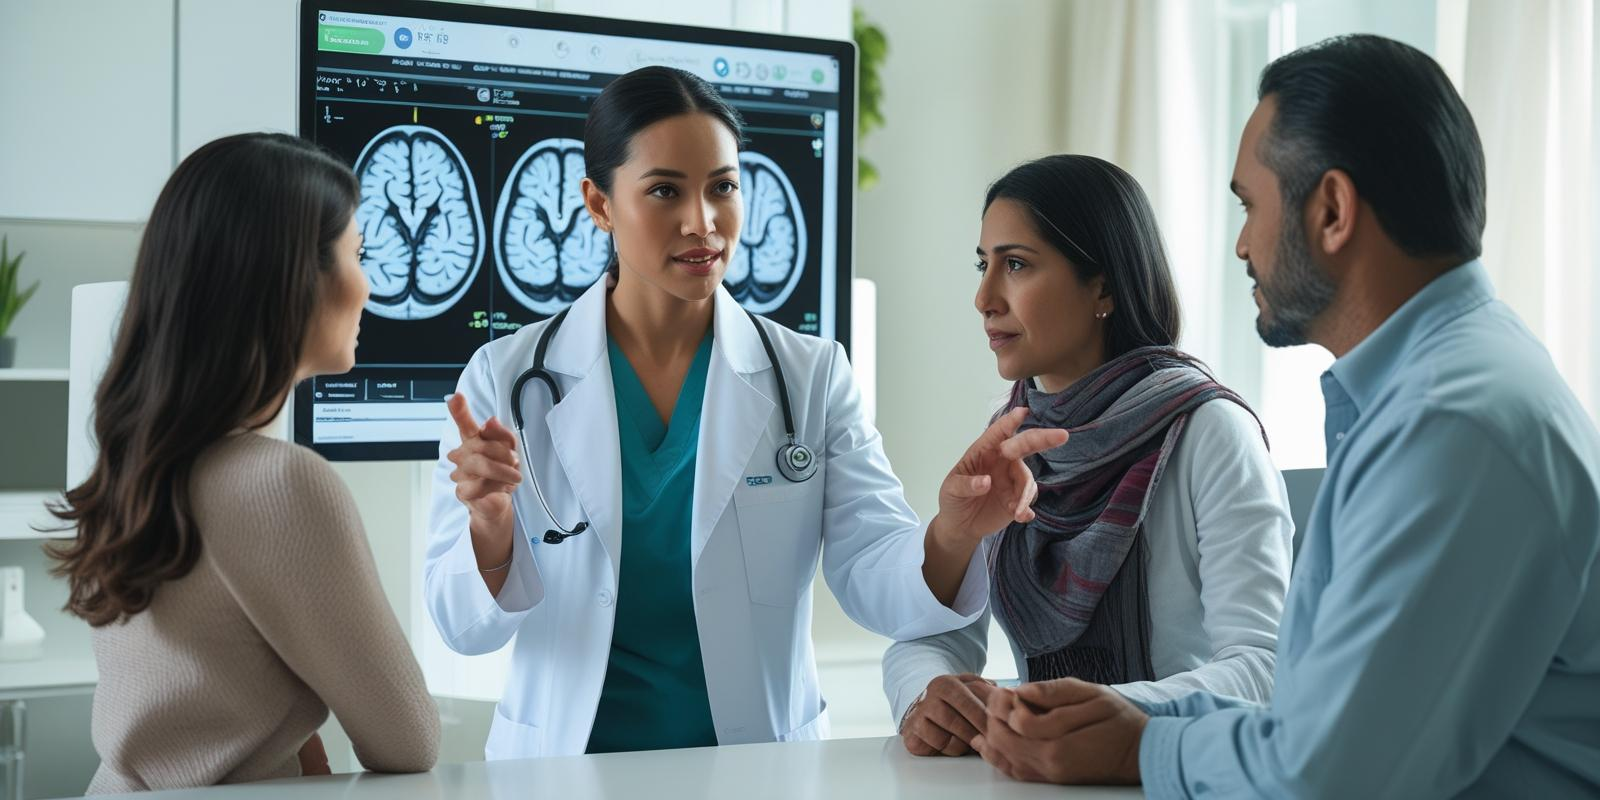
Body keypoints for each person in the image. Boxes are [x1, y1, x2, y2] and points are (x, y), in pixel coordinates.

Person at [971, 34, 1600, 798]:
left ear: (1331, 210)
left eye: (1250, 205)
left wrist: (1146, 748)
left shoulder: (1455, 424)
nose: (1241, 244)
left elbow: (1334, 773)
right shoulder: (1430, 395)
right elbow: (1320, 716)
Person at [425, 66, 1064, 758]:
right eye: (665, 190)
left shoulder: (809, 376)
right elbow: (464, 629)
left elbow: (874, 578)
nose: (702, 222)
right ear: (599, 204)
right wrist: (490, 532)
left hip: (757, 764)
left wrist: (952, 530)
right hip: (564, 769)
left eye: (722, 188)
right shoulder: (507, 377)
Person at [48, 133, 439, 792]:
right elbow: (409, 740)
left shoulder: (133, 458)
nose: (369, 287)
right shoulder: (278, 481)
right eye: (358, 255)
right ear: (289, 277)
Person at [884, 155, 1293, 758]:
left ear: (1102, 285)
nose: (983, 297)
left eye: (1016, 264)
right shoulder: (1008, 437)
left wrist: (1122, 712)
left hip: (1172, 776)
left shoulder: (1210, 431)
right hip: (1041, 772)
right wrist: (926, 694)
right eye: (983, 264)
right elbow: (930, 636)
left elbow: (1265, 667)